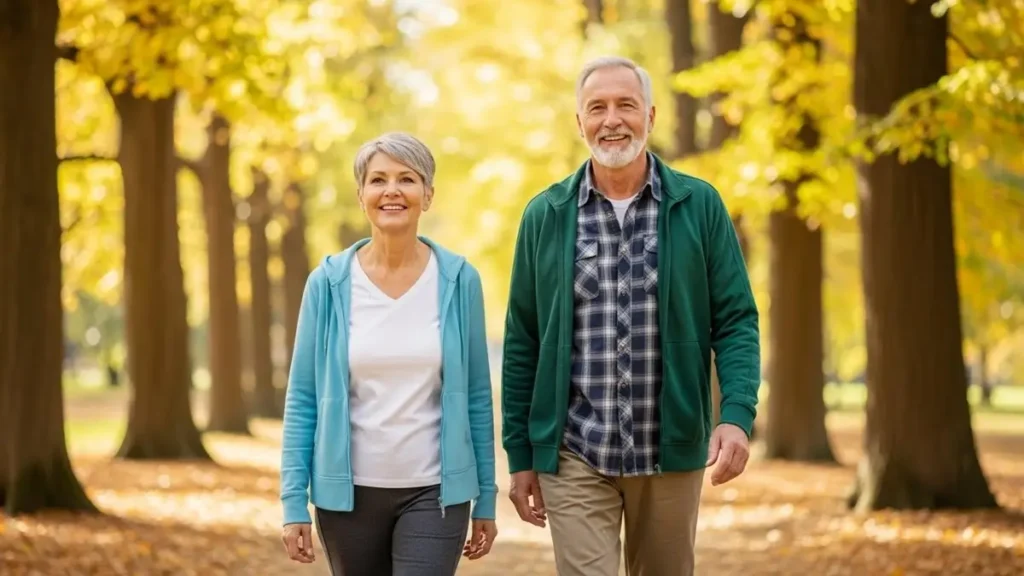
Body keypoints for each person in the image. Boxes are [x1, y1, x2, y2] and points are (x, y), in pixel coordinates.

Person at [500, 55, 761, 576]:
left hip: (670, 448)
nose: (611, 119)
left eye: (626, 105)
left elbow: (736, 320)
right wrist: (521, 454)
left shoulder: (699, 205)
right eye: (597, 107)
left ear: (651, 117)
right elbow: (523, 341)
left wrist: (736, 414)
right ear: (579, 123)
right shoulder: (545, 215)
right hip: (576, 450)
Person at [279, 132, 499, 575]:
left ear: (428, 195)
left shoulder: (459, 281)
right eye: (378, 180)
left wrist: (487, 498)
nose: (392, 190)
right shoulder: (327, 284)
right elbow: (303, 398)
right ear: (361, 196)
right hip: (348, 498)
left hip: (435, 495)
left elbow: (476, 395)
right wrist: (293, 503)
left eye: (408, 179)